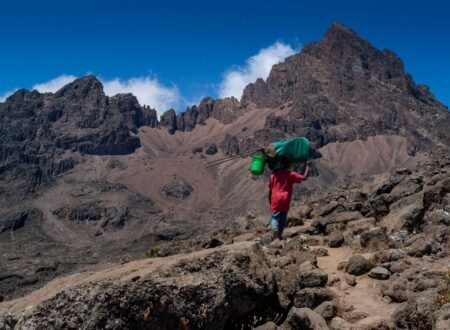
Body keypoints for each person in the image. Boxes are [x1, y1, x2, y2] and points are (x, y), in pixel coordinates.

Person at [268, 157, 311, 241]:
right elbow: (304, 177)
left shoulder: (273, 175)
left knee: (274, 217)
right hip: (285, 198)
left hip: (275, 199)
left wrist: (270, 200)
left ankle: (275, 232)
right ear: (287, 165)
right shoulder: (290, 174)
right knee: (283, 217)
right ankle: (279, 235)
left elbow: (270, 190)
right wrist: (308, 166)